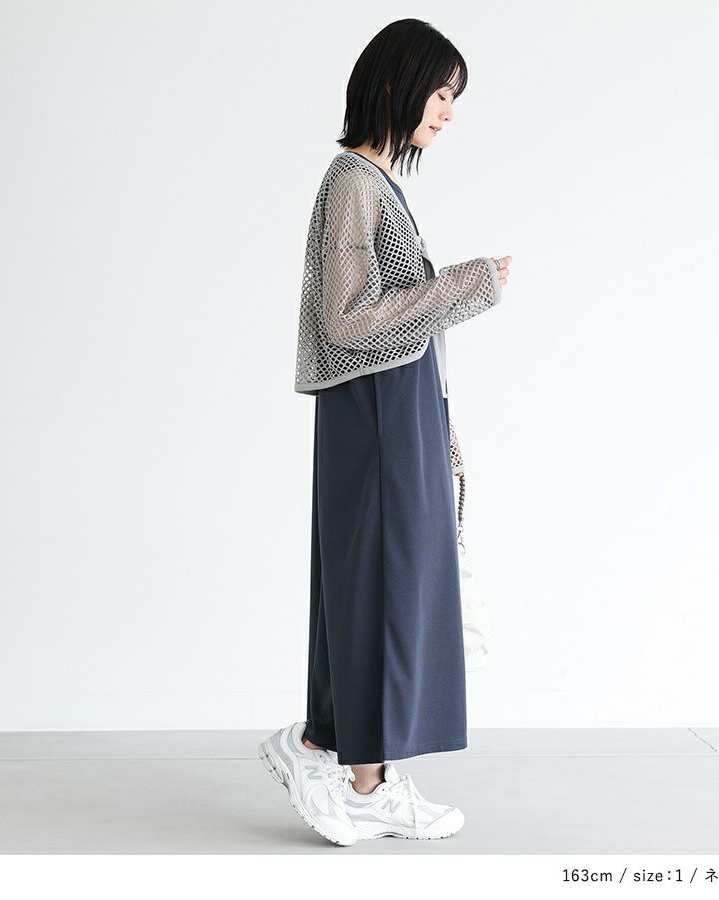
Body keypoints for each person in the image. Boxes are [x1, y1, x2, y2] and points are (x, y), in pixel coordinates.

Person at [259, 18, 512, 845]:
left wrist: (438, 421)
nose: (448, 113)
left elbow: (391, 326)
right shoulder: (355, 184)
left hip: (394, 411)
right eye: (441, 94)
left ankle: (340, 758)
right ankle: (355, 775)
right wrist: (469, 283)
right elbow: (347, 319)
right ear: (397, 86)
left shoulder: (374, 184)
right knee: (383, 585)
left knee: (386, 583)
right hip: (374, 417)